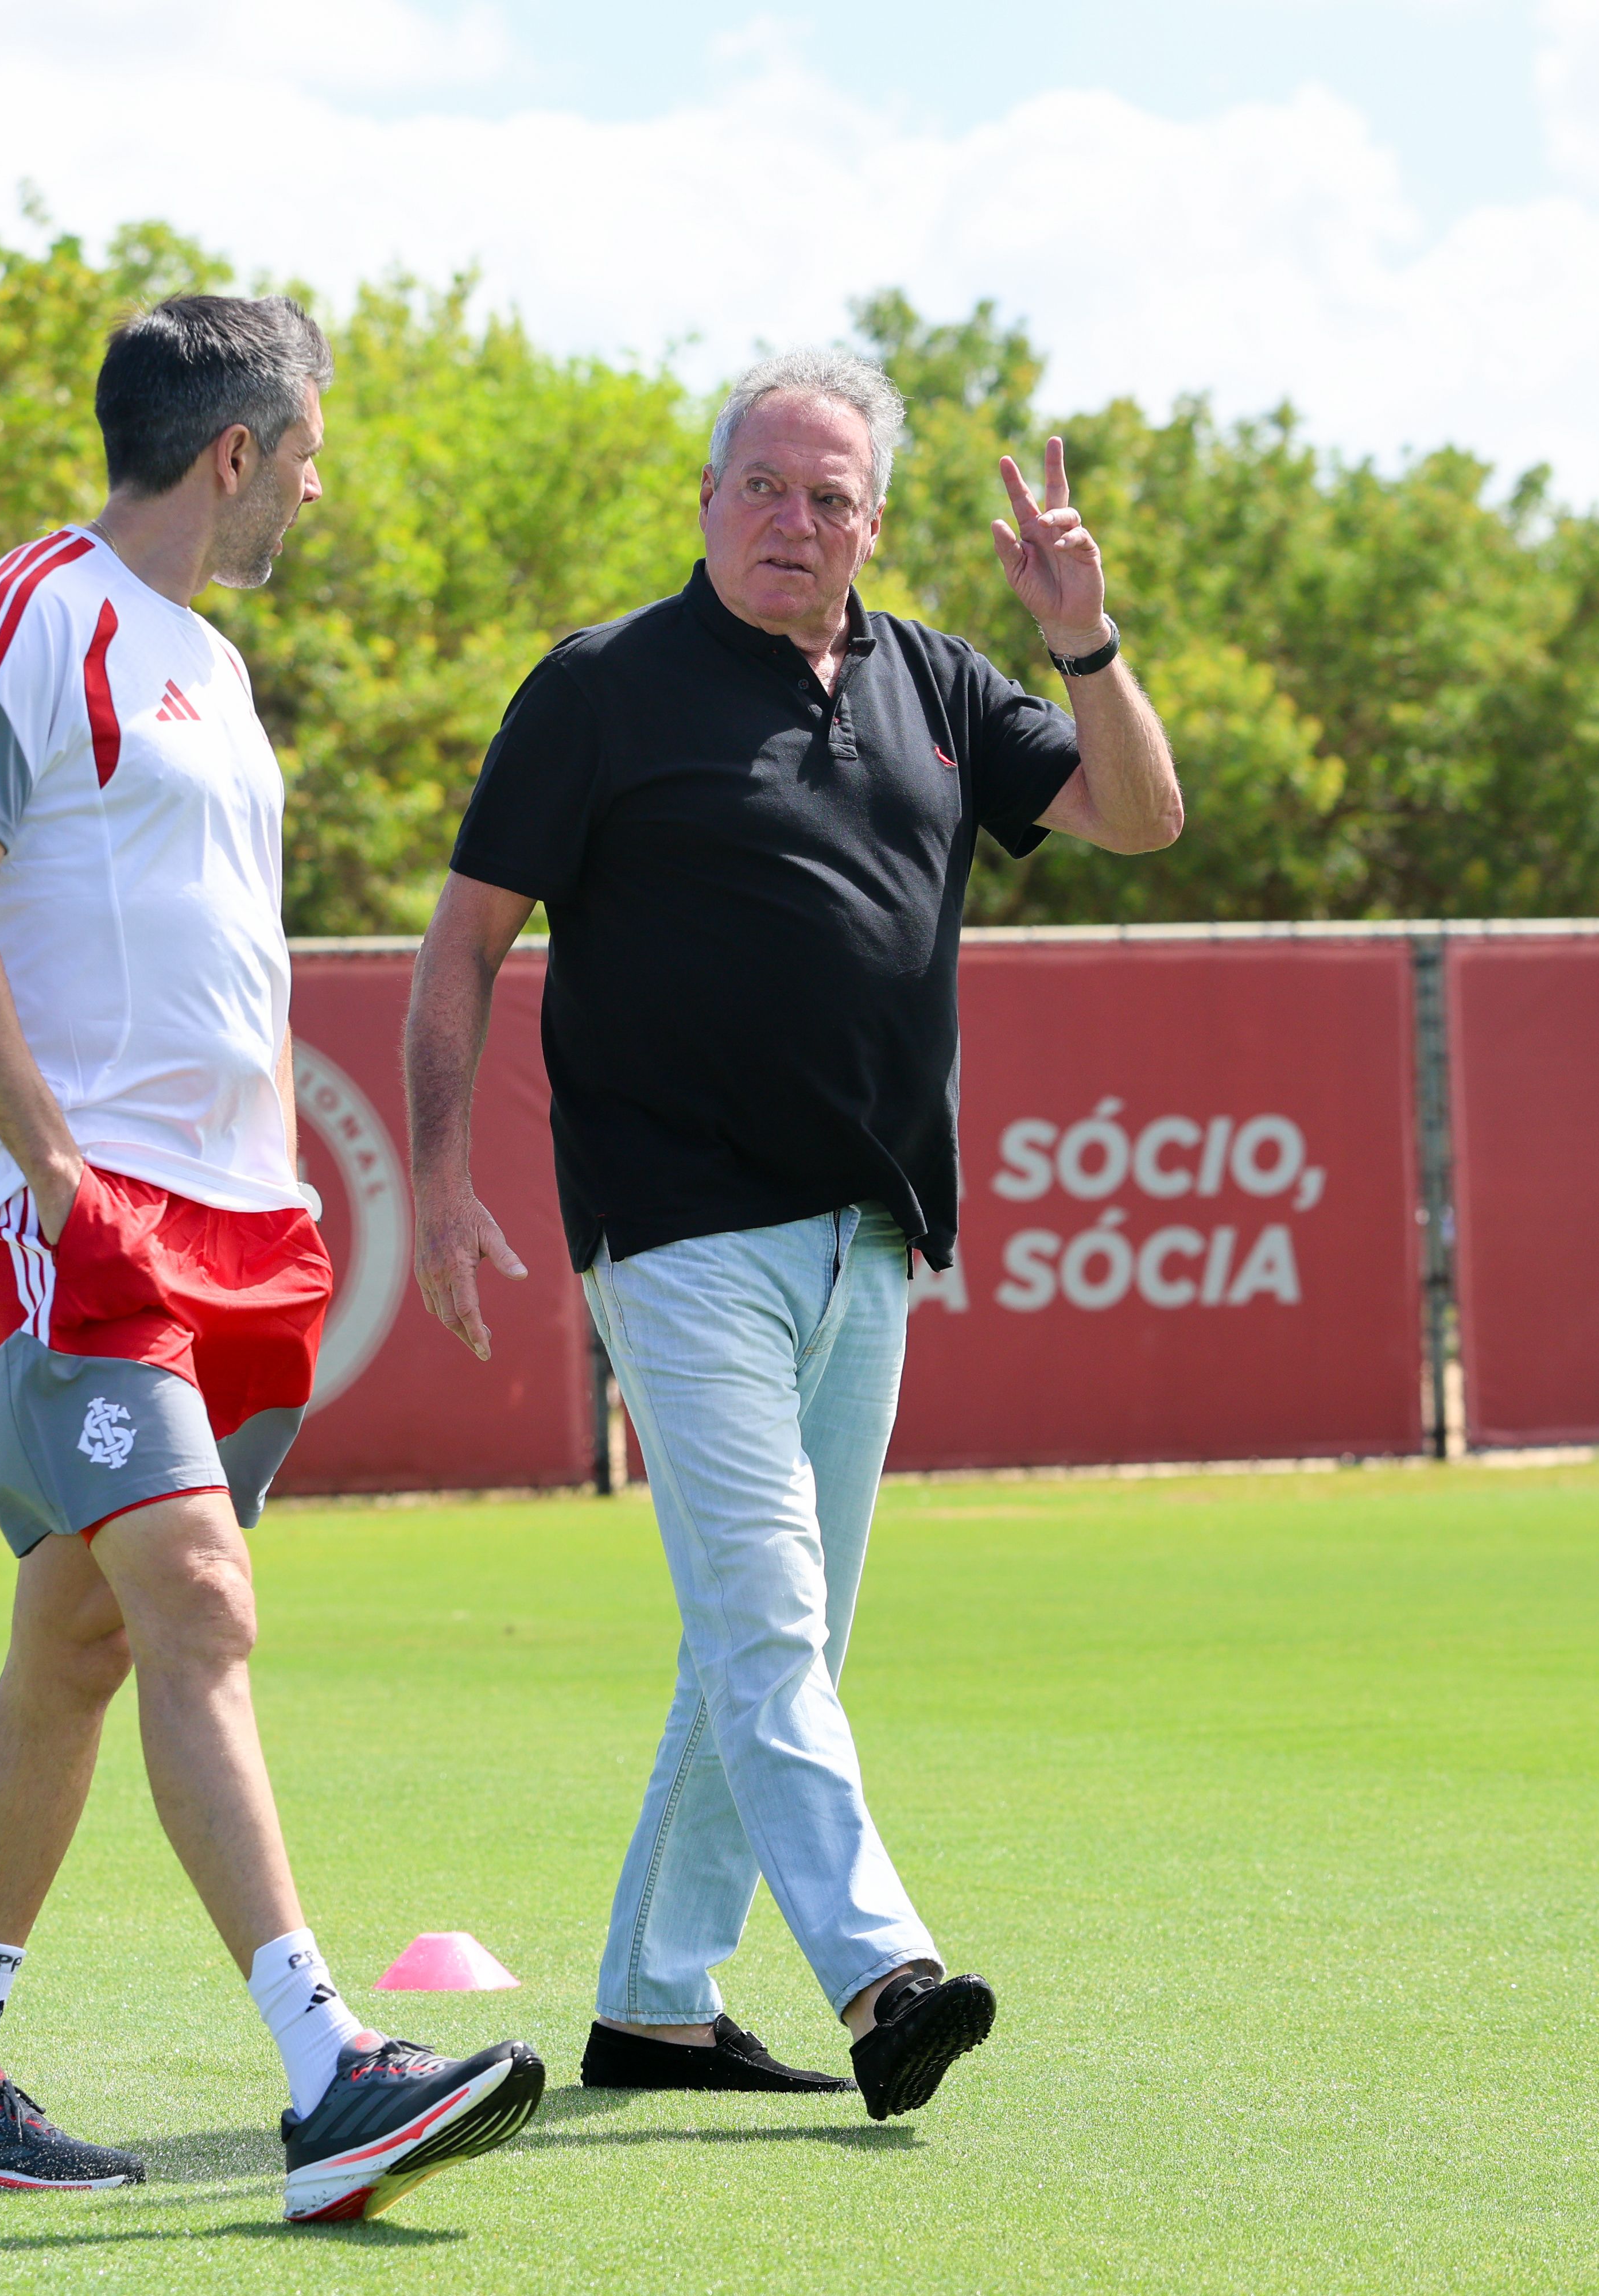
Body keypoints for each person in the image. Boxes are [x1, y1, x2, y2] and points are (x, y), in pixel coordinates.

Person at [402, 348, 1181, 2120]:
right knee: (769, 1621)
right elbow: (462, 945)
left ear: (872, 527)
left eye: (830, 497)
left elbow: (1140, 817)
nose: (793, 520)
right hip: (679, 1232)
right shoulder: (601, 688)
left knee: (781, 1643)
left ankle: (656, 2008)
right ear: (706, 500)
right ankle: (884, 1975)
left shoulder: (942, 683)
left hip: (872, 1237)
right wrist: (441, 1179)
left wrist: (1085, 641)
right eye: (762, 485)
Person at [0, 293, 541, 2223]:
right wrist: (52, 1163)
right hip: (88, 1220)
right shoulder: (33, 611)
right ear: (236, 450)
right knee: (199, 1606)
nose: (316, 487)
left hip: (240, 1231)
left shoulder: (218, 668)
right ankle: (333, 2070)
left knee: (80, 1643)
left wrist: (273, 1192)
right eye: (306, 452)